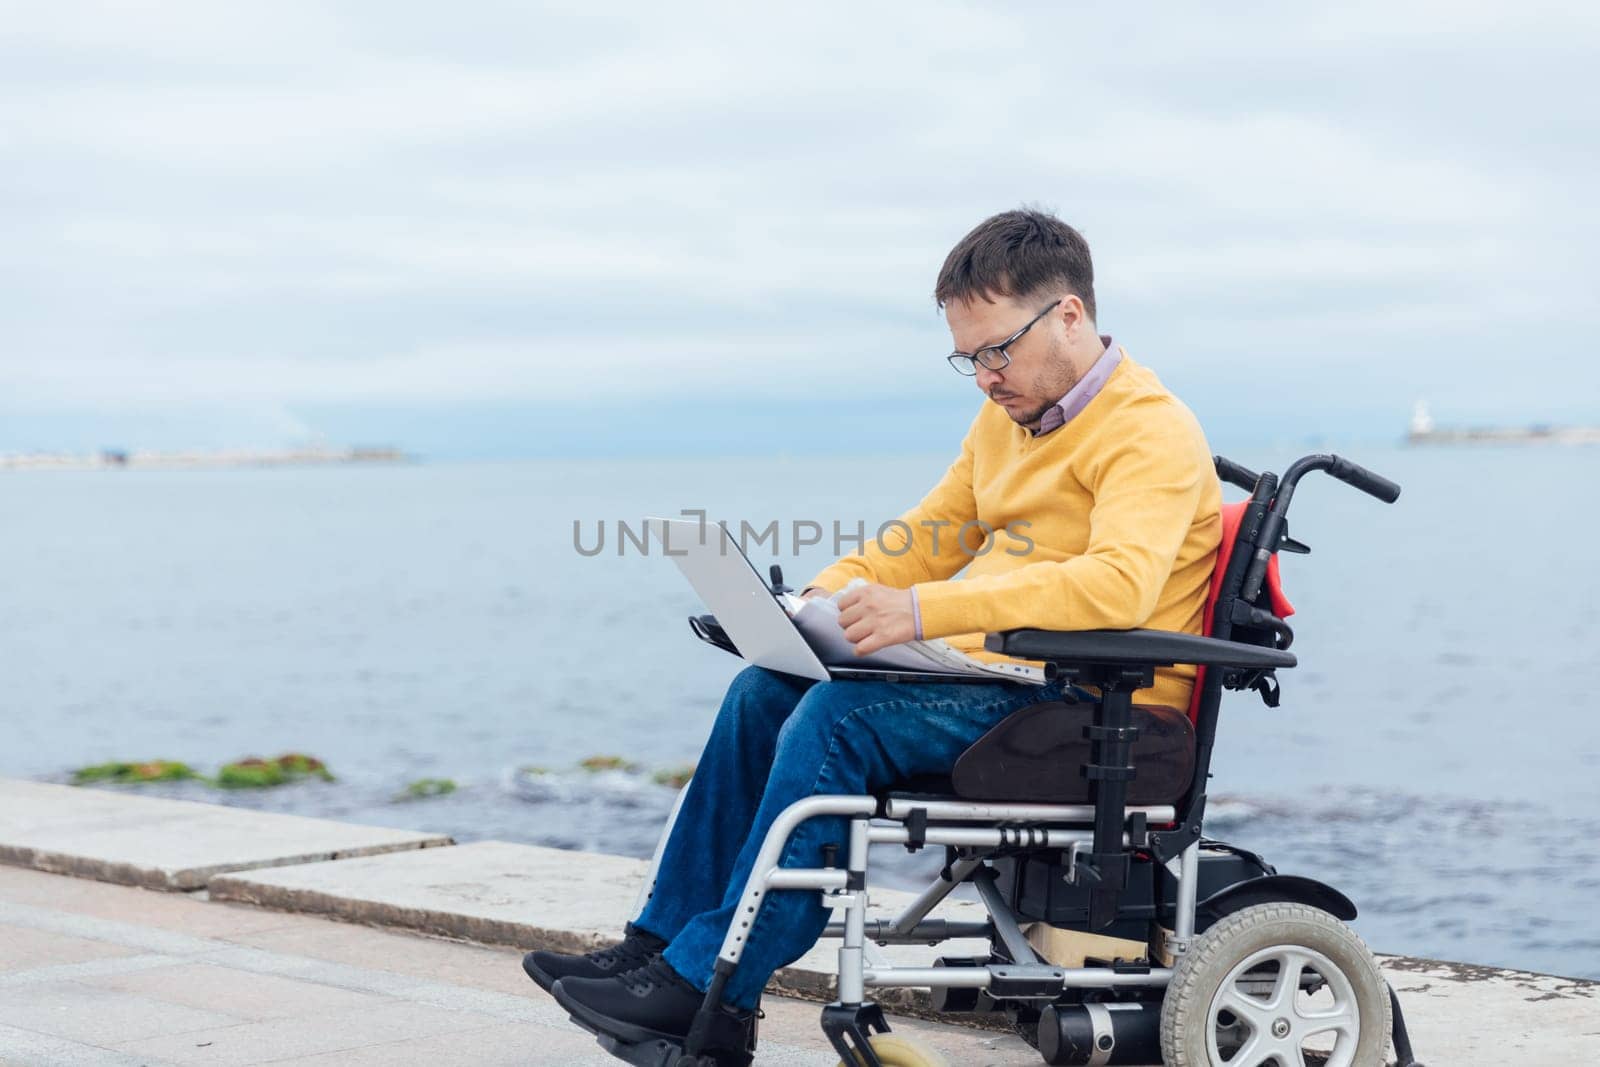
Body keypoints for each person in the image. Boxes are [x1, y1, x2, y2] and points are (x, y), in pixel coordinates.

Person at [524, 208, 1222, 1047]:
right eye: (968, 357)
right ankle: (660, 947)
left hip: (1100, 707)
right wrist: (819, 600)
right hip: (1006, 682)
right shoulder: (1006, 423)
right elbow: (929, 535)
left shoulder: (1151, 429)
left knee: (838, 719)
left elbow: (1118, 586)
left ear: (1069, 315)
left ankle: (713, 983)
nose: (984, 377)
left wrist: (926, 611)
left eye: (997, 349)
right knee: (763, 688)